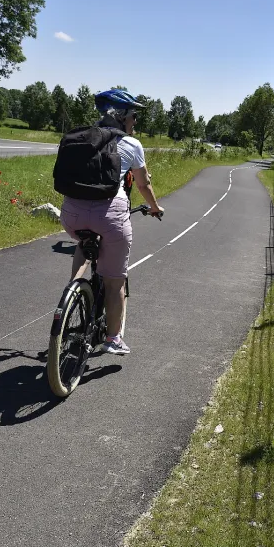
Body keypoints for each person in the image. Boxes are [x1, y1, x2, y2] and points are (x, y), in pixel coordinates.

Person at [59, 88, 164, 355]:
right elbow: (143, 184)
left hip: (71, 213)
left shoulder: (81, 137)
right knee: (115, 281)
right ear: (121, 116)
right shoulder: (132, 144)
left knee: (84, 241)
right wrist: (154, 207)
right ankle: (113, 339)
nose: (135, 121)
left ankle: (73, 293)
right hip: (110, 216)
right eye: (133, 116)